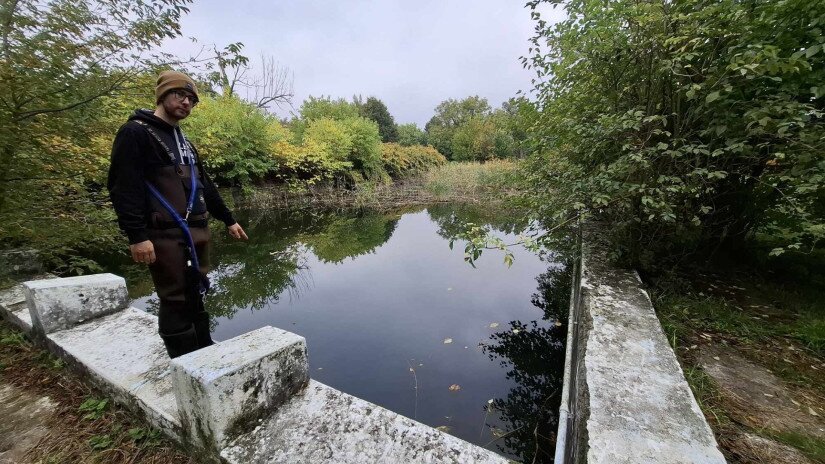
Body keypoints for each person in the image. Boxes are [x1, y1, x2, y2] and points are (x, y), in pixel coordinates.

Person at [107, 70, 248, 358]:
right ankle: (183, 360)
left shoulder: (184, 142)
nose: (186, 102)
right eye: (180, 95)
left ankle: (203, 351)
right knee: (174, 297)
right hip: (164, 233)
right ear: (162, 95)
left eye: (192, 99)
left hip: (196, 230)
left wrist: (229, 219)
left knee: (197, 290)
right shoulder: (136, 132)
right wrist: (137, 235)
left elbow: (204, 186)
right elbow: (124, 187)